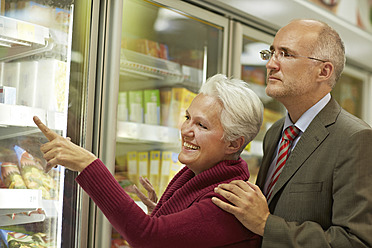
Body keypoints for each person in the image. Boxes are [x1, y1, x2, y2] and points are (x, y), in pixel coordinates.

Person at [33, 74, 264, 248]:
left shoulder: (228, 201)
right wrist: (170, 217)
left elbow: (148, 238)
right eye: (187, 118)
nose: (186, 130)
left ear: (234, 144)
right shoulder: (196, 178)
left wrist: (87, 164)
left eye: (201, 125)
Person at [212, 19, 372, 247]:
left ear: (324, 71)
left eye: (286, 54)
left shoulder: (355, 138)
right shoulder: (276, 132)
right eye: (271, 53)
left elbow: (356, 241)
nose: (271, 65)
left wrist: (267, 225)